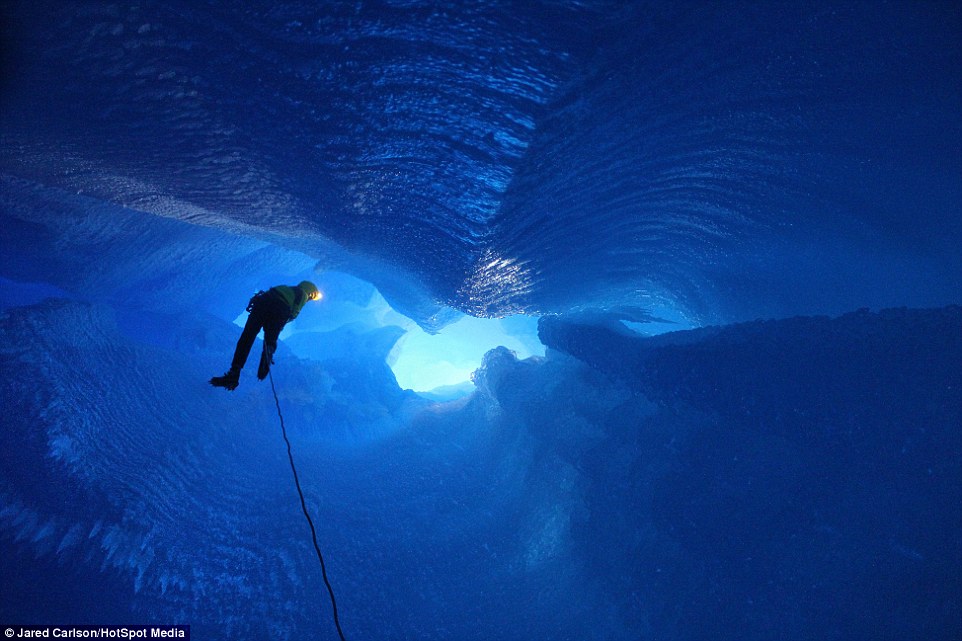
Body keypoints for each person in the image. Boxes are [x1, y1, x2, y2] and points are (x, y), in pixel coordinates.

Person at [210, 280, 321, 391]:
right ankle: (267, 354)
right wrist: (277, 326)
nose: (310, 299)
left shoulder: (284, 287)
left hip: (262, 303)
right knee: (270, 339)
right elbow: (293, 313)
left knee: (247, 336)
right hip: (280, 309)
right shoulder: (303, 294)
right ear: (311, 292)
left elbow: (267, 293)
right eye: (312, 297)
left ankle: (234, 373)